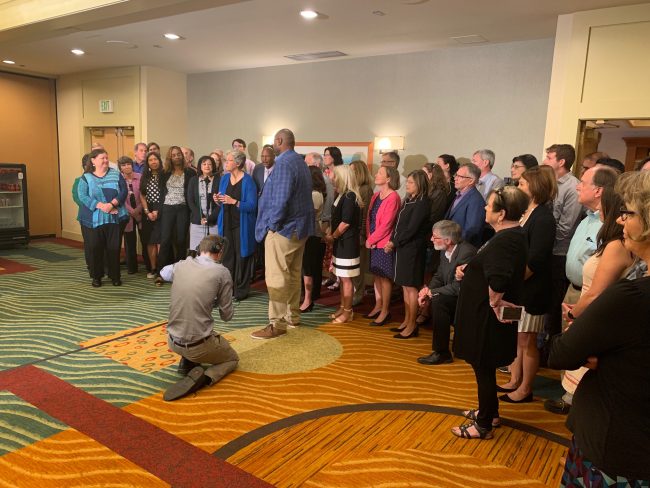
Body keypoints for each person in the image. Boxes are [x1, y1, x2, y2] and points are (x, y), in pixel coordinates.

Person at [548, 170, 650, 486]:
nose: (622, 221)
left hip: (617, 442)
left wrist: (601, 357)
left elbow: (561, 353)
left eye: (629, 213)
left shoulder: (631, 296)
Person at [550, 185, 635, 415]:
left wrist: (573, 313)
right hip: (586, 308)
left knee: (585, 390)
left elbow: (597, 292)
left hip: (591, 312)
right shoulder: (611, 241)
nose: (598, 210)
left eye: (602, 206)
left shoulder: (616, 246)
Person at [452, 186, 529, 439]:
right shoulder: (508, 235)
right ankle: (491, 412)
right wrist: (469, 267)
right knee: (482, 368)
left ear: (501, 213)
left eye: (490, 205)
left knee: (483, 367)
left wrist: (495, 303)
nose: (485, 208)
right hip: (486, 315)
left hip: (487, 317)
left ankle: (483, 425)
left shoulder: (507, 239)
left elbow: (498, 279)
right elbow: (489, 264)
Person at [498, 166, 557, 403]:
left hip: (532, 289)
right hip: (519, 288)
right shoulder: (526, 211)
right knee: (517, 336)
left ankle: (525, 388)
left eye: (522, 184)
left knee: (528, 340)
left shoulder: (544, 217)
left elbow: (536, 258)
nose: (518, 187)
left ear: (535, 187)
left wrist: (513, 281)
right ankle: (514, 380)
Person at [160, 235, 239, 402]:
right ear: (219, 251)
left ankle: (186, 362)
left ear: (199, 249)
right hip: (197, 345)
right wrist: (215, 300)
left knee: (192, 319)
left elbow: (164, 272)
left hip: (172, 341)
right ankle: (206, 377)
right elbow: (227, 316)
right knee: (232, 358)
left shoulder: (182, 264)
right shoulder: (222, 272)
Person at [252, 129, 314, 339]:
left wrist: (272, 225)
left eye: (274, 142)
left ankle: (276, 324)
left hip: (285, 230)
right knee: (293, 274)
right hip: (300, 229)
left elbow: (280, 200)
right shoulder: (300, 162)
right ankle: (292, 317)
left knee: (277, 277)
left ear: (279, 141)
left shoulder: (284, 164)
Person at [541, 143, 583, 363]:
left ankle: (551, 353)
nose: (545, 160)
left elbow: (566, 228)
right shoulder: (550, 183)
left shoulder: (572, 187)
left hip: (559, 254)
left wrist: (543, 238)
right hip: (547, 251)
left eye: (549, 157)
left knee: (554, 305)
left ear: (561, 162)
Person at [417, 220, 476, 365]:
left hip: (468, 299)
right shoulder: (445, 251)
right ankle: (442, 352)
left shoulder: (466, 253)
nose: (431, 239)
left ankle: (441, 353)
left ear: (448, 240)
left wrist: (431, 292)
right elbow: (439, 275)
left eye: (435, 237)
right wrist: (427, 290)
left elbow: (457, 287)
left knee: (438, 300)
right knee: (438, 299)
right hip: (455, 295)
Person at [384, 170, 431, 339]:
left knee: (411, 287)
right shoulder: (409, 200)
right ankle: (406, 320)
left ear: (419, 184)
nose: (407, 184)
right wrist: (392, 240)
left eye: (411, 182)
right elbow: (398, 225)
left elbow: (412, 229)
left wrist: (394, 242)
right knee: (404, 286)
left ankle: (412, 325)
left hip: (412, 249)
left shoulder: (422, 203)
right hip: (403, 248)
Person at [76, 148, 128, 287]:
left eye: (106, 157)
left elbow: (123, 191)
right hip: (93, 220)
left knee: (114, 248)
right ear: (93, 161)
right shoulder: (86, 177)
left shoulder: (116, 175)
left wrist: (111, 204)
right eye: (102, 158)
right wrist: (100, 205)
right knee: (95, 248)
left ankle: (115, 276)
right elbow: (82, 195)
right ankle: (96, 277)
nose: (105, 160)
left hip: (114, 218)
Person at [216, 150, 257, 301]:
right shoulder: (225, 178)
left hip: (242, 225)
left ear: (238, 163)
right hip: (226, 222)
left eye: (229, 160)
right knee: (227, 257)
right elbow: (222, 201)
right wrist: (218, 199)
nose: (226, 163)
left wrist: (235, 201)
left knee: (242, 257)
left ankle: (241, 291)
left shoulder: (248, 181)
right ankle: (228, 289)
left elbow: (252, 206)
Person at [324, 165, 362, 324]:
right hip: (341, 243)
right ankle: (342, 306)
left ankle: (348, 311)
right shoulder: (341, 194)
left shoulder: (350, 196)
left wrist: (333, 236)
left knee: (346, 279)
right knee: (341, 276)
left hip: (348, 243)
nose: (332, 178)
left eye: (335, 175)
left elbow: (345, 222)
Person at [365, 166, 401, 326]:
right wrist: (369, 238)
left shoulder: (393, 197)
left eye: (380, 173)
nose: (376, 175)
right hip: (373, 241)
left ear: (388, 178)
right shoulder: (375, 195)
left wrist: (371, 239)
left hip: (383, 242)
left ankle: (385, 310)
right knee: (377, 276)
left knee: (385, 278)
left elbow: (387, 224)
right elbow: (369, 219)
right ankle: (378, 306)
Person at [155, 146, 196, 285]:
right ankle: (160, 272)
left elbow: (192, 193)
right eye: (174, 155)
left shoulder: (190, 172)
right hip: (167, 208)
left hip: (183, 208)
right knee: (165, 240)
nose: (177, 157)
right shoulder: (164, 172)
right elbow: (161, 193)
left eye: (179, 154)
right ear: (170, 157)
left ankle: (179, 273)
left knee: (181, 240)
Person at [300, 166, 327, 312]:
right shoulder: (310, 193)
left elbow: (308, 213)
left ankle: (309, 299)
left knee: (309, 268)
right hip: (308, 234)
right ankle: (307, 296)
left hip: (312, 234)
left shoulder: (315, 194)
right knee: (306, 267)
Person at [350, 160, 374, 307]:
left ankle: (358, 293)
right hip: (352, 232)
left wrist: (363, 234)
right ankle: (352, 292)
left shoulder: (365, 189)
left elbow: (366, 215)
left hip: (360, 233)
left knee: (358, 266)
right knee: (352, 266)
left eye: (353, 171)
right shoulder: (353, 188)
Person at [445, 162, 486, 247]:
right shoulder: (459, 194)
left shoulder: (476, 200)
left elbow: (472, 230)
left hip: (461, 248)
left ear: (471, 180)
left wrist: (454, 244)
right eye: (456, 175)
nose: (455, 178)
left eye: (460, 176)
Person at [140, 152, 164, 279]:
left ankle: (161, 268)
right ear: (147, 163)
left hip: (162, 210)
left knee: (160, 241)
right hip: (147, 212)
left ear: (159, 161)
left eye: (156, 159)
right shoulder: (145, 176)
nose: (153, 161)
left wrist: (157, 211)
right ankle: (153, 268)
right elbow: (142, 195)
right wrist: (147, 211)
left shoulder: (164, 175)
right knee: (150, 242)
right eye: (150, 160)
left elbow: (165, 195)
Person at [187, 155, 220, 250]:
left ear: (213, 166)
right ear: (200, 166)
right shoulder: (193, 180)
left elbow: (220, 203)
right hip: (197, 221)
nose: (207, 166)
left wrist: (210, 218)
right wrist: (201, 217)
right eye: (204, 164)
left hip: (213, 222)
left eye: (209, 164)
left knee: (213, 250)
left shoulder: (219, 180)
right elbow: (191, 201)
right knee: (196, 250)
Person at [117, 156, 143, 275]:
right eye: (123, 165)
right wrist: (130, 211)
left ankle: (149, 265)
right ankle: (132, 267)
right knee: (129, 241)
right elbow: (120, 198)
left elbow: (144, 195)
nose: (126, 166)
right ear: (120, 168)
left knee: (145, 239)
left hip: (141, 212)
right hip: (126, 214)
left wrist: (138, 209)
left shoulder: (140, 177)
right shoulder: (118, 180)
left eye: (128, 164)